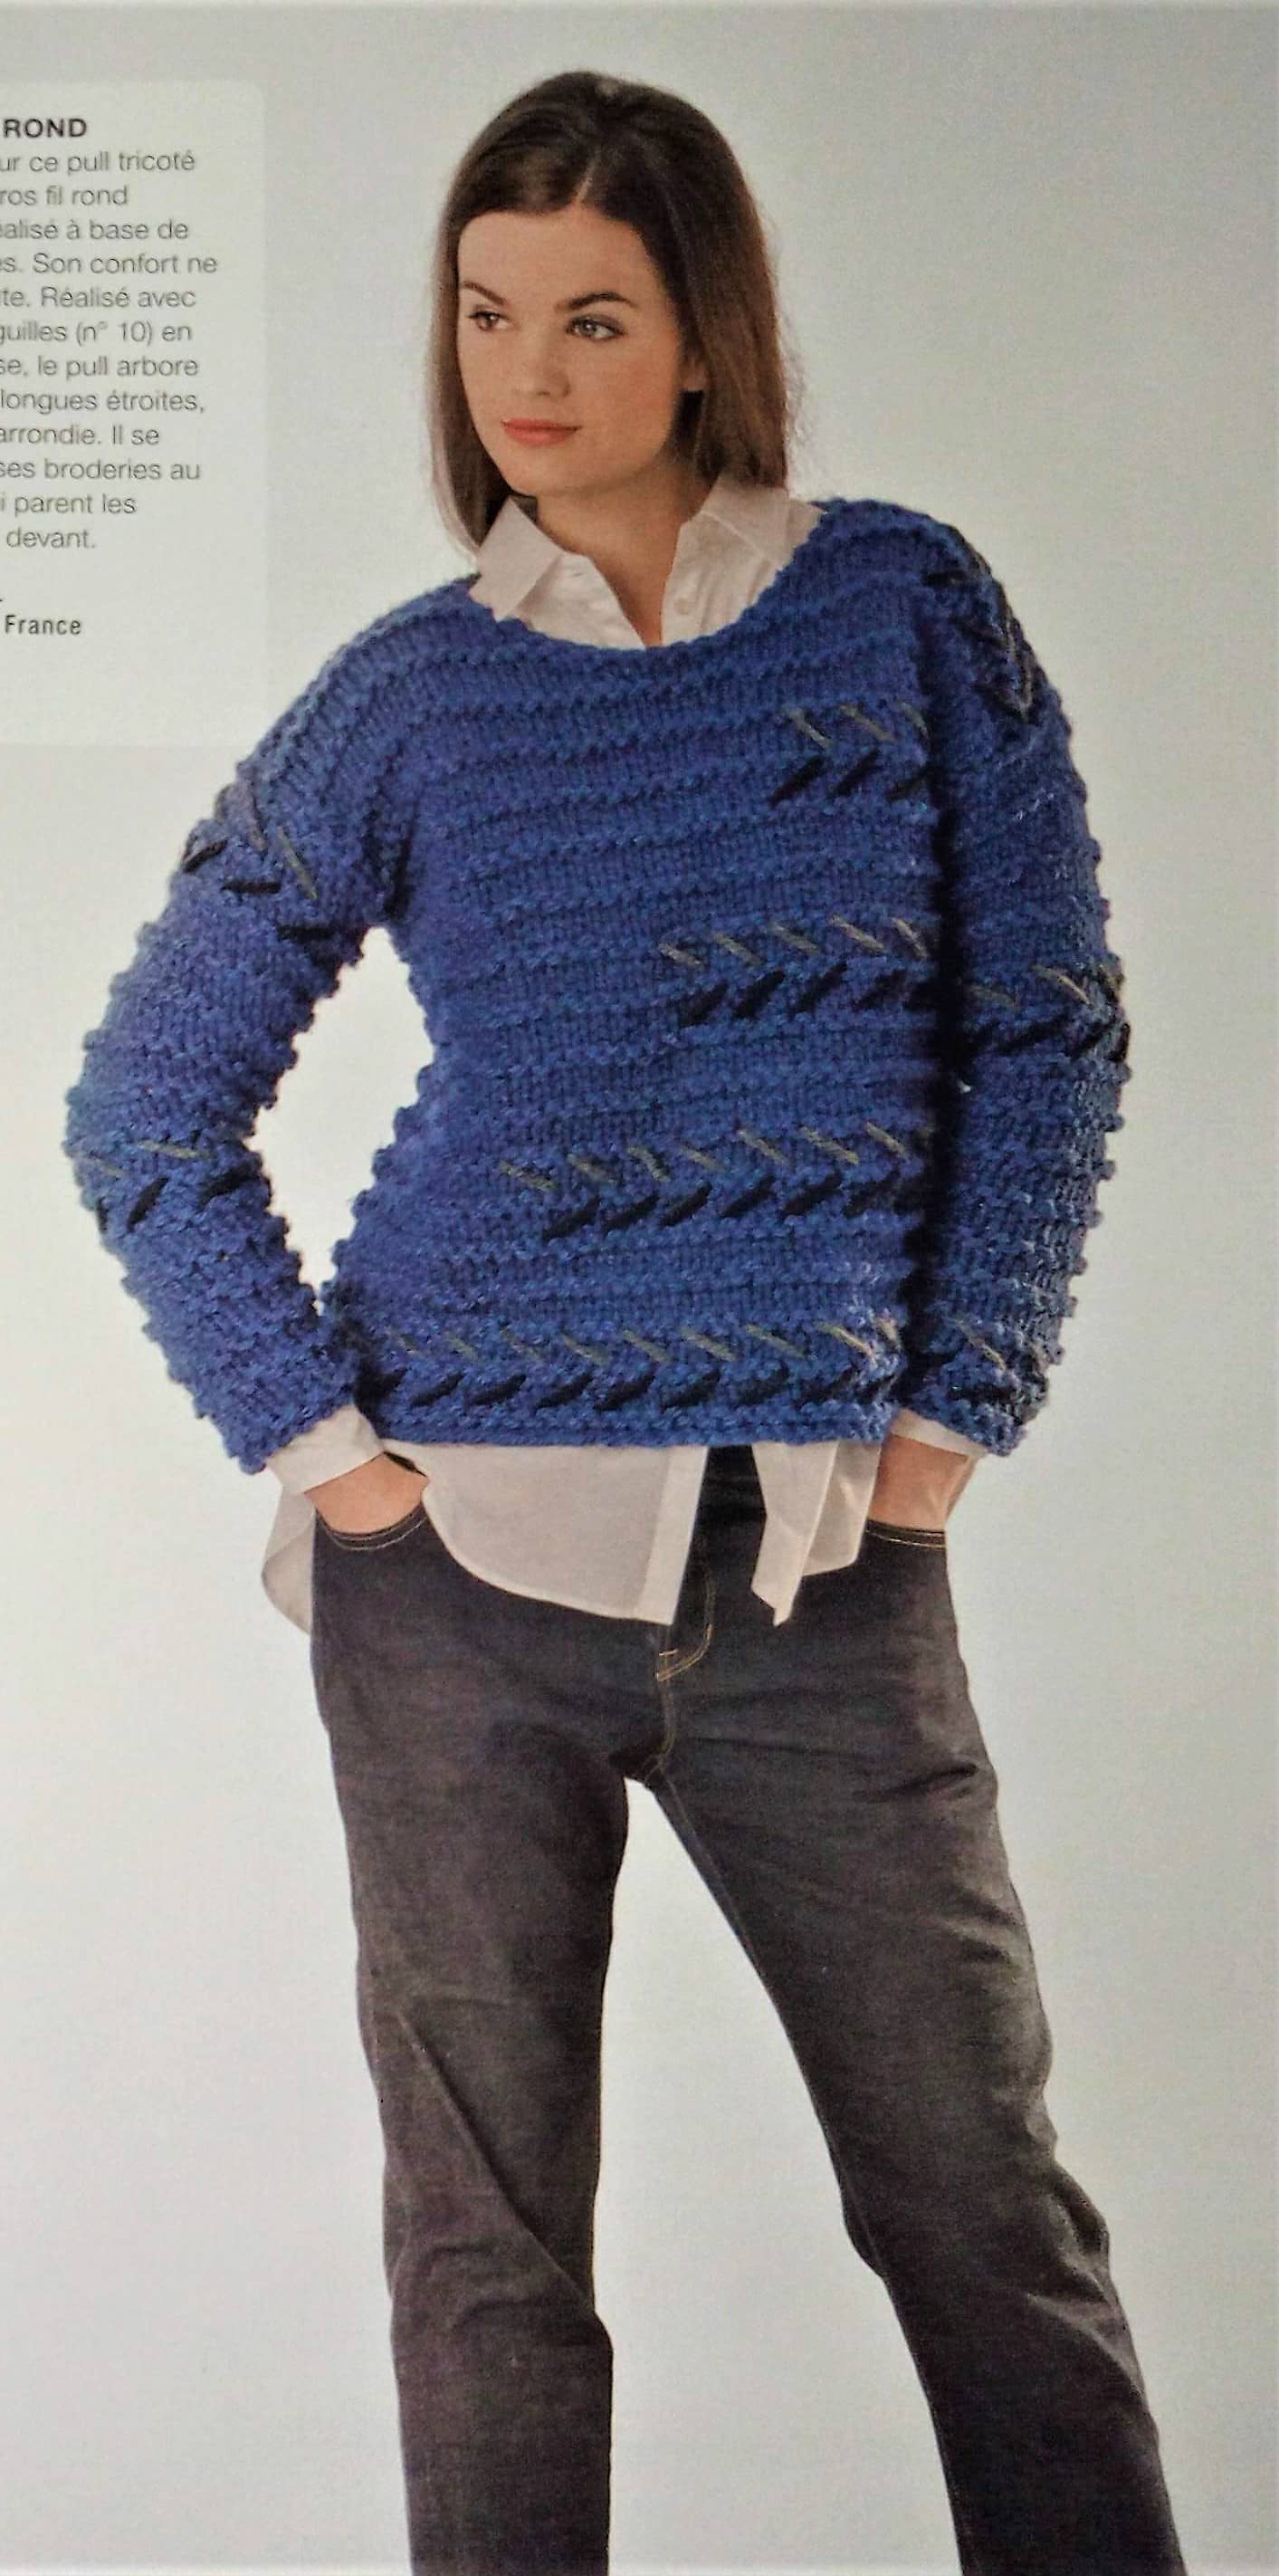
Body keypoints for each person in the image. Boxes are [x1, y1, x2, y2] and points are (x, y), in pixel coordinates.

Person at [62, 65, 1188, 2576]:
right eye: (485, 314)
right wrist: (335, 1460)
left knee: (985, 2220)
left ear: (705, 335)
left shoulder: (904, 609)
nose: (526, 372)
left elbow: (1047, 1024)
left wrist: (954, 1411)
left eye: (591, 314)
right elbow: (145, 1102)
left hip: (823, 1576)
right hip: (453, 1583)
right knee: (489, 2268)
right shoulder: (410, 692)